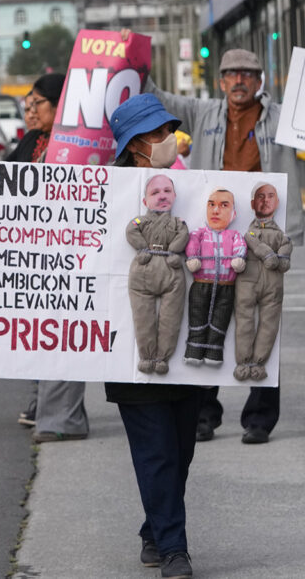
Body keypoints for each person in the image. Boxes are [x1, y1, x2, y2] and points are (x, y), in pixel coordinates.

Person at [125, 34, 299, 445]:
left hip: (265, 236)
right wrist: (135, 62)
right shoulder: (202, 113)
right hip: (211, 234)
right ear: (220, 82)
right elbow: (156, 96)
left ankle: (259, 418)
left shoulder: (283, 119)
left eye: (247, 74)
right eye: (231, 74)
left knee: (262, 323)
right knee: (205, 318)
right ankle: (205, 414)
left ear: (260, 80)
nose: (239, 80)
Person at [0, 73, 89, 442]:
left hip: (65, 259)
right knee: (35, 332)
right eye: (27, 105)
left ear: (60, 105)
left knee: (61, 332)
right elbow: (1, 180)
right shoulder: (33, 141)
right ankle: (49, 404)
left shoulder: (81, 146)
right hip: (30, 259)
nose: (29, 111)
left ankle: (61, 415)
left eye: (37, 104)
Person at [108, 92, 199, 579]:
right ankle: (173, 550)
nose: (171, 140)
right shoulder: (108, 191)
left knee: (181, 449)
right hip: (130, 350)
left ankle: (155, 529)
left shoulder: (188, 183)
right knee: (157, 451)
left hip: (185, 344)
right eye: (163, 133)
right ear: (140, 143)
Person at [233, 183, 291, 444]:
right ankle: (203, 412)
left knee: (268, 330)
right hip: (220, 209)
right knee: (215, 323)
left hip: (267, 258)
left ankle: (260, 417)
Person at [126, 173, 189, 375]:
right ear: (145, 201)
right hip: (143, 270)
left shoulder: (179, 223)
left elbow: (184, 235)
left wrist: (173, 250)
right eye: (155, 192)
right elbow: (130, 231)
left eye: (167, 191)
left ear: (175, 195)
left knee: (171, 318)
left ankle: (163, 357)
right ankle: (147, 356)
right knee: (142, 317)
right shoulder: (140, 221)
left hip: (171, 272)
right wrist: (143, 247)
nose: (162, 196)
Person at [183, 188, 246, 366]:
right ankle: (194, 350)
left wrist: (239, 258)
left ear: (233, 214)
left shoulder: (234, 235)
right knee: (197, 317)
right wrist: (192, 257)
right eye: (212, 205)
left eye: (223, 206)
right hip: (201, 284)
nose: (216, 210)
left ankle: (214, 352)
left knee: (221, 318)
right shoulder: (199, 233)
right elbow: (192, 243)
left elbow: (240, 246)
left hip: (227, 285)